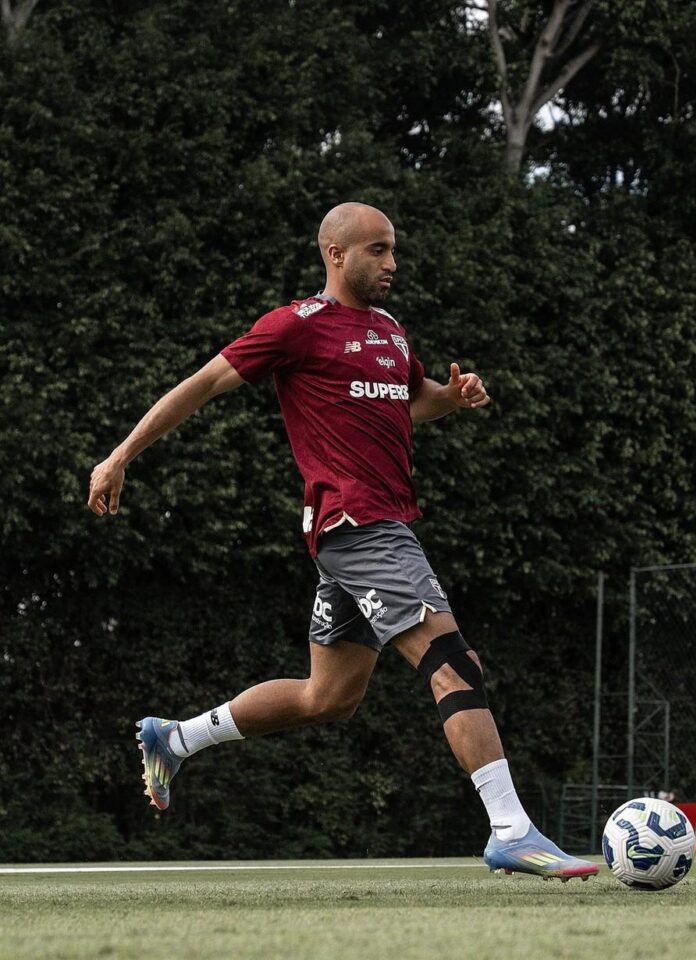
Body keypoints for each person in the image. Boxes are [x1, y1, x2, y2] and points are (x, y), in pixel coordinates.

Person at [88, 202, 598, 881]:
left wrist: (452, 396)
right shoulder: (295, 328)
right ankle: (511, 830)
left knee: (327, 698)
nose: (392, 264)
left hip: (367, 532)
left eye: (394, 251)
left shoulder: (389, 330)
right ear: (335, 253)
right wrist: (119, 455)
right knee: (453, 660)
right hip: (360, 527)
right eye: (379, 250)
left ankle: (174, 739)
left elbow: (405, 400)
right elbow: (205, 384)